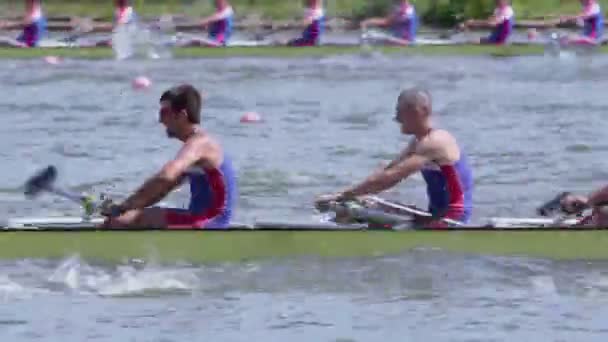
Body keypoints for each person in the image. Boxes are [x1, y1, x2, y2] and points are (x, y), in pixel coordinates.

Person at [315, 88, 473, 228]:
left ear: (419, 112)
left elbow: (390, 178)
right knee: (363, 205)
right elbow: (388, 170)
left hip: (452, 219)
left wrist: (342, 195)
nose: (396, 119)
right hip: (435, 214)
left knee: (358, 210)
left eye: (400, 113)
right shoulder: (418, 141)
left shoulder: (434, 142)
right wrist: (353, 196)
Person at [101, 84, 238, 229]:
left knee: (126, 221)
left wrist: (125, 207)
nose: (160, 120)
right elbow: (163, 188)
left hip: (212, 221)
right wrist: (125, 208)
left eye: (164, 112)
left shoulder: (200, 144)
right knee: (129, 217)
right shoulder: (195, 149)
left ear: (182, 116)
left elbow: (165, 176)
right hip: (200, 217)